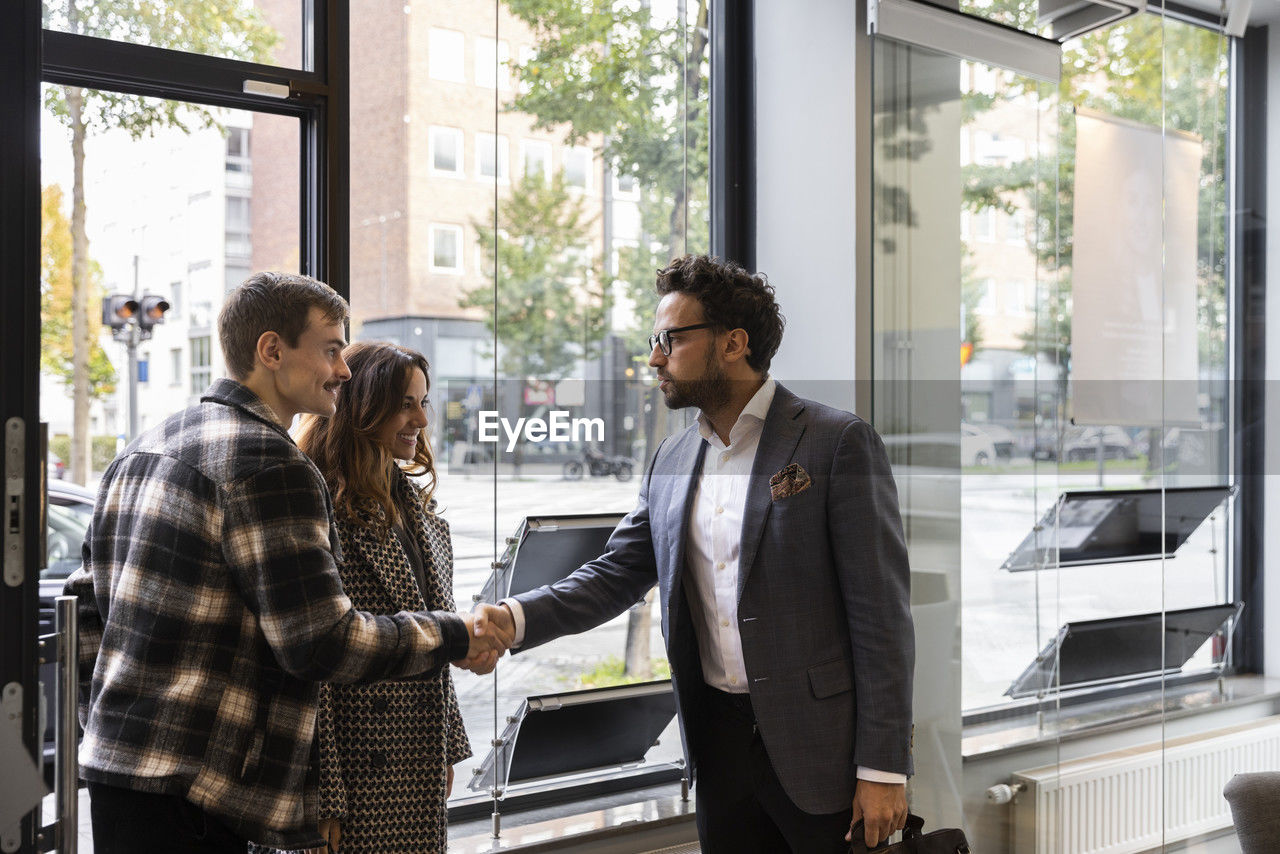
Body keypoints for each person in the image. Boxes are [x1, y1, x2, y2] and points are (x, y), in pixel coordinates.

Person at [478, 254, 915, 853]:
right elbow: (616, 574)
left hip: (824, 757)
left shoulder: (835, 442)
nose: (655, 357)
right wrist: (513, 618)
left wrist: (884, 768)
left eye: (669, 339)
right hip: (718, 752)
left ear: (732, 343)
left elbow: (882, 618)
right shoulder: (672, 458)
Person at [65, 272, 510, 853]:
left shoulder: (147, 445)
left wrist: (104, 728)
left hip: (119, 776)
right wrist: (457, 633)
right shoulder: (271, 464)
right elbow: (321, 642)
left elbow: (82, 611)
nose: (342, 369)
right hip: (203, 794)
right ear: (271, 351)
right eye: (330, 349)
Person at [289, 342, 468, 853]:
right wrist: (322, 795)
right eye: (404, 404)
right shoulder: (315, 505)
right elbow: (309, 669)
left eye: (424, 402)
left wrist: (449, 745)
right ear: (362, 405)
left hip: (416, 752)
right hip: (352, 763)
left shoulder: (422, 515)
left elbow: (437, 641)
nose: (420, 420)